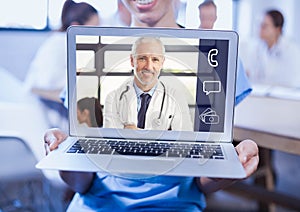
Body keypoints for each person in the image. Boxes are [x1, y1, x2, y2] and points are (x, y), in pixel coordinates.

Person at [44, 0, 259, 211]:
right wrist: (65, 158)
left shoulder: (216, 54)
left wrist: (227, 168)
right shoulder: (92, 56)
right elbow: (81, 183)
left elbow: (203, 182)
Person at [24, 0, 100, 129]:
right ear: (75, 26)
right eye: (93, 29)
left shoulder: (76, 46)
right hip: (43, 119)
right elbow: (42, 85)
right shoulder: (58, 44)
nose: (97, 34)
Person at [104, 37, 193, 131]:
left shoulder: (177, 98)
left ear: (162, 63)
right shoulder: (113, 98)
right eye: (142, 59)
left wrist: (131, 131)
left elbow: (184, 138)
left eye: (155, 59)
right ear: (132, 60)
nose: (149, 67)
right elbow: (110, 137)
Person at [245, 9, 300, 87]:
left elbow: (293, 81)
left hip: (284, 95)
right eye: (260, 25)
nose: (260, 29)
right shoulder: (257, 48)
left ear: (278, 29)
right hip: (261, 93)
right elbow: (252, 75)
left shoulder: (292, 50)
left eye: (264, 26)